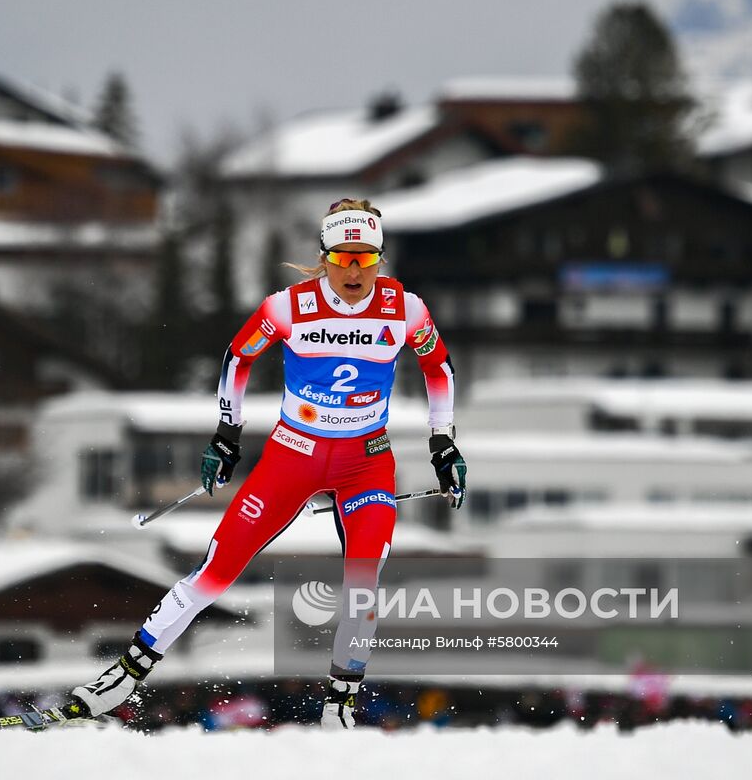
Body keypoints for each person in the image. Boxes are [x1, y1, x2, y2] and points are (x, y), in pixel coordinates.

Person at [49, 198, 467, 730]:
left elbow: (440, 370)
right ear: (324, 257)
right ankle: (123, 677)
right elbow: (237, 358)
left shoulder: (405, 308)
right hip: (293, 458)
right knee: (216, 574)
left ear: (380, 258)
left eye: (367, 258)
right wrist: (226, 433)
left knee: (364, 584)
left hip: (366, 463)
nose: (356, 271)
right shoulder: (287, 307)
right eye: (344, 258)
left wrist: (442, 443)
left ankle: (339, 708)